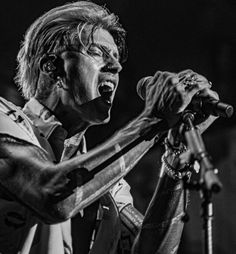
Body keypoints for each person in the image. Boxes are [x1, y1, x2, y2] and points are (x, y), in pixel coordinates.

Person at [0, 1, 218, 254]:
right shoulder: (5, 120)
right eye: (97, 52)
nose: (116, 67)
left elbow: (152, 251)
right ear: (52, 67)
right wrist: (151, 122)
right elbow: (52, 196)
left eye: (115, 57)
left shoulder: (108, 182)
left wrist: (176, 158)